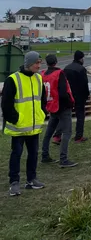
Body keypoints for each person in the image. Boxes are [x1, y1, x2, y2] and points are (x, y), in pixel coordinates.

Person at [1, 51, 47, 196]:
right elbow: (6, 104)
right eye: (36, 63)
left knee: (33, 154)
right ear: (28, 63)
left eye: (40, 62)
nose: (39, 66)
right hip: (19, 127)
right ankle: (14, 182)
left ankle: (31, 180)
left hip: (34, 126)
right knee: (17, 154)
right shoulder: (13, 79)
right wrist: (16, 119)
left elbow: (42, 99)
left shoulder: (39, 79)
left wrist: (42, 113)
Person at [40, 55, 78, 168]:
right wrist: (70, 103)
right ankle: (63, 159)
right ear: (56, 62)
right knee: (67, 132)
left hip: (51, 105)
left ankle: (45, 155)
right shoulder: (59, 73)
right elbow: (62, 93)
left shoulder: (43, 74)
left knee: (49, 132)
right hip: (62, 106)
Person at [52, 50, 90, 144]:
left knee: (65, 116)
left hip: (68, 96)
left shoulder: (66, 68)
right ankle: (78, 136)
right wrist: (86, 95)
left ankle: (57, 135)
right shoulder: (81, 69)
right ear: (81, 58)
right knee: (80, 116)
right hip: (79, 96)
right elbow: (85, 84)